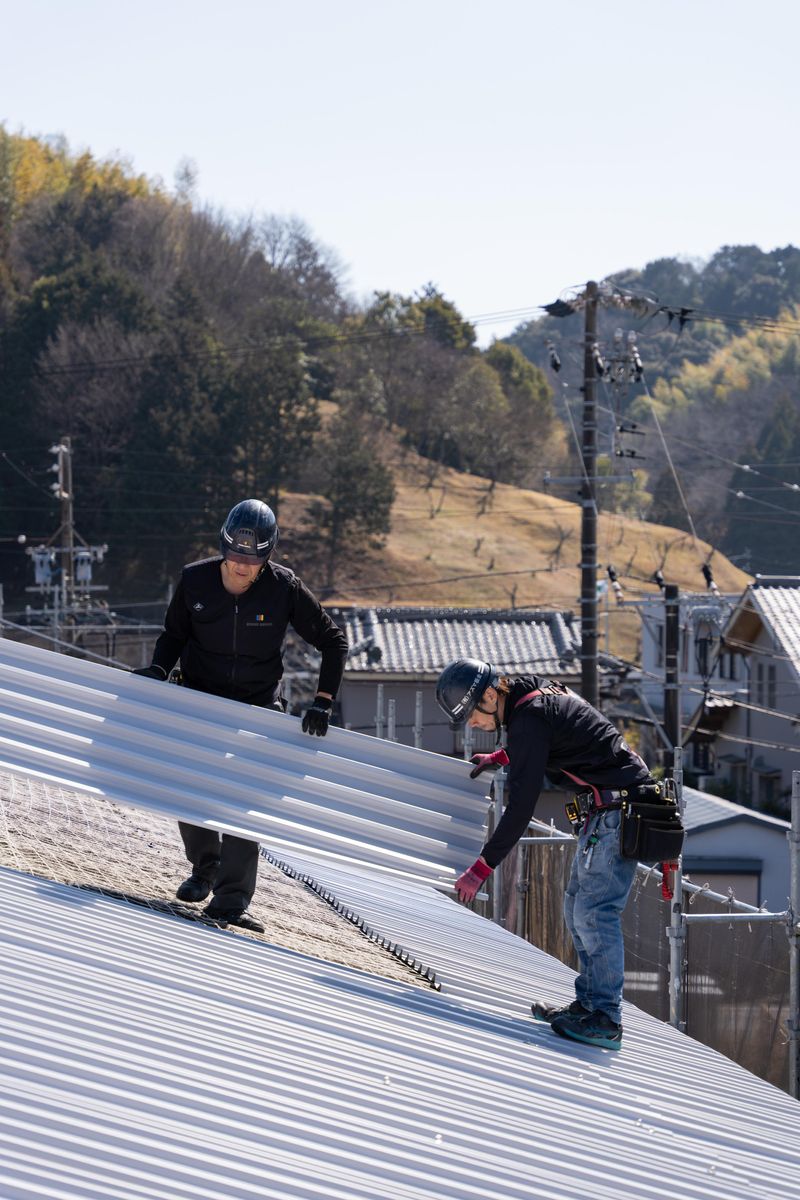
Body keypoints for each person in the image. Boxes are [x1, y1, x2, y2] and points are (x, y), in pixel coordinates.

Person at [134, 498, 349, 933]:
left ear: (267, 557)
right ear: (223, 548)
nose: (241, 568)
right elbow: (173, 634)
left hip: (256, 707)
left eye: (252, 561)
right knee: (186, 787)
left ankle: (231, 900)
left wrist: (323, 700)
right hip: (198, 698)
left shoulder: (284, 588)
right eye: (234, 557)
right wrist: (158, 670)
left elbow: (334, 642)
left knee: (242, 800)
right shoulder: (195, 581)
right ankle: (205, 867)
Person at [436, 657, 663, 1051]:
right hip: (606, 812)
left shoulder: (529, 717)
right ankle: (588, 1005)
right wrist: (502, 757)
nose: (472, 725)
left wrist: (482, 866)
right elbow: (551, 740)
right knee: (577, 908)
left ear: (491, 696)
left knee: (595, 913)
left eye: (472, 715)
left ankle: (606, 1019)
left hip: (620, 812)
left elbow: (521, 807)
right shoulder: (529, 695)